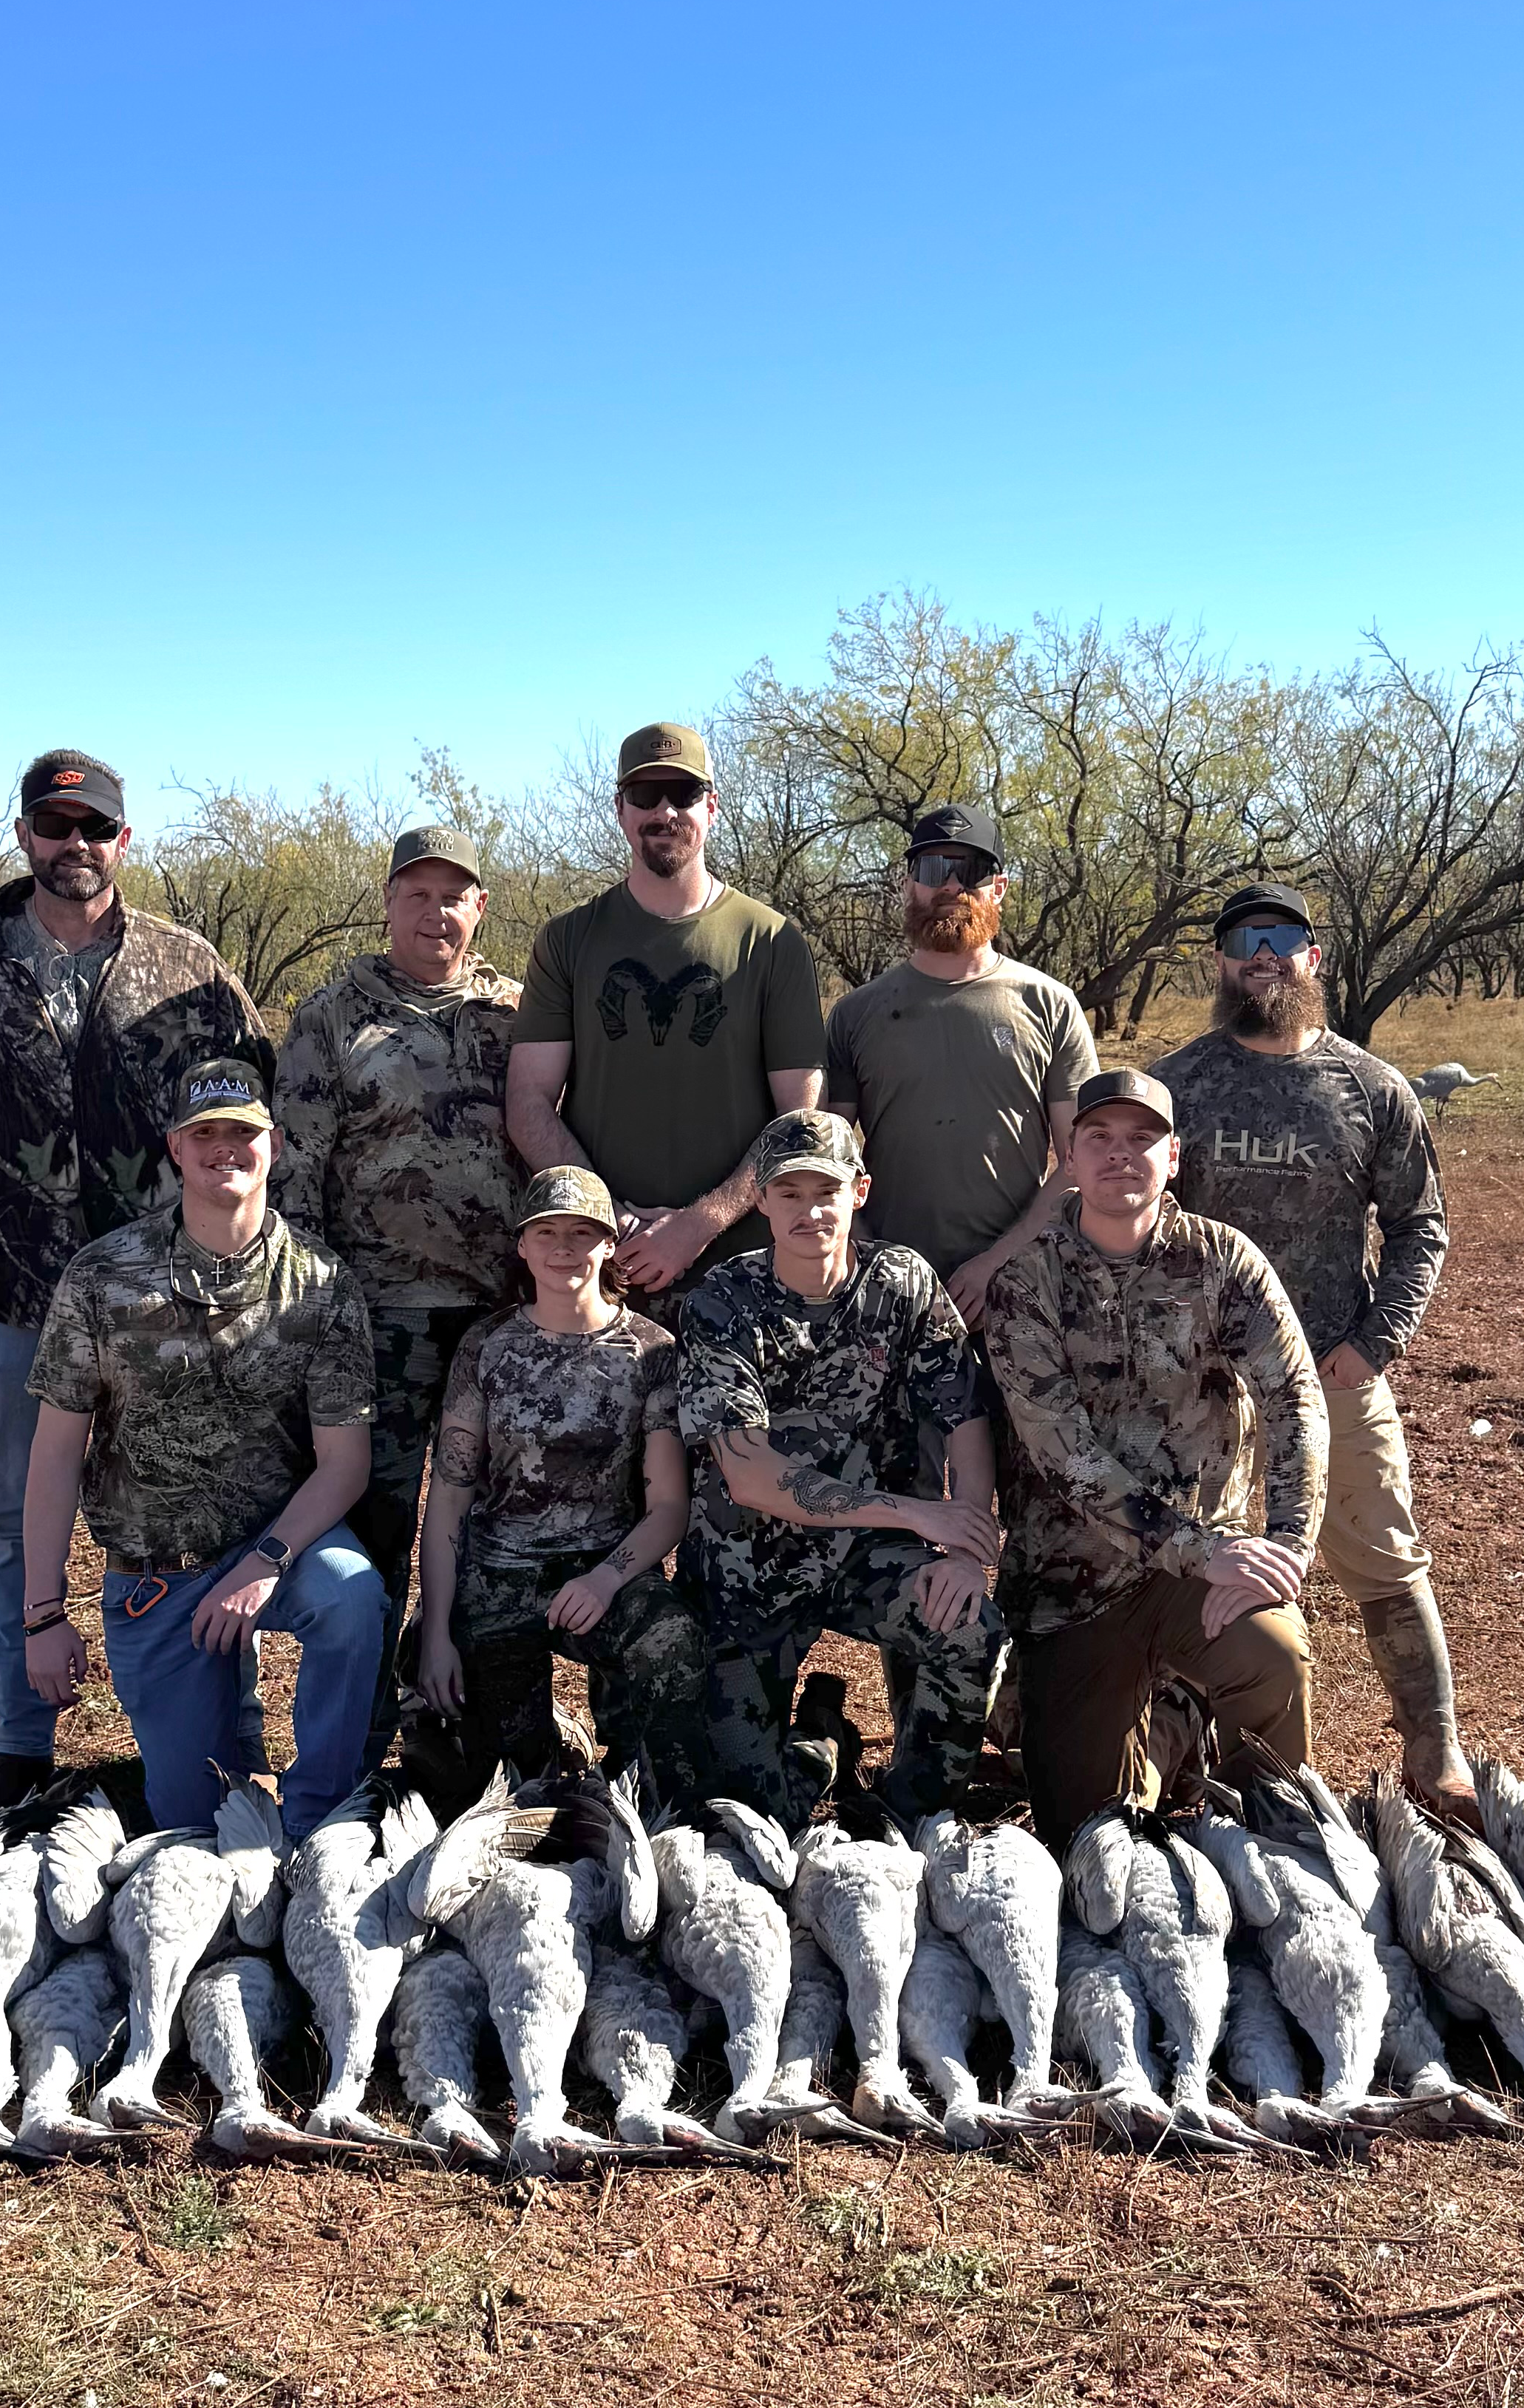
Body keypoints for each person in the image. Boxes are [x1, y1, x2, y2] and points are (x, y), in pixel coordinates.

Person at [0, 747, 263, 1831]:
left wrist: (229, 1245)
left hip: (166, 1303)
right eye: (53, 825)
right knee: (14, 1515)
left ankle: (231, 1738)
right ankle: (22, 1745)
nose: (73, 845)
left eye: (95, 829)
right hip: (15, 1303)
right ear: (24, 835)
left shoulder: (190, 970)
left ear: (124, 841)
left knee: (201, 1502)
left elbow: (257, 1115)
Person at [1152, 883, 1468, 1800]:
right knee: (1202, 1564)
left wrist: (1378, 1343)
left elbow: (1422, 1228)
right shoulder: (1179, 1086)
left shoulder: (1370, 1089)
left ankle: (1432, 1752)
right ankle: (1199, 1760)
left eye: (1284, 938)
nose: (1264, 952)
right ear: (1220, 961)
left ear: (1313, 960)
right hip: (1204, 1382)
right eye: (1244, 938)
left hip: (1333, 1367)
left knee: (1384, 1560)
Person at [17, 1060, 388, 1837]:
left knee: (352, 1594)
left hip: (279, 1550)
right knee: (194, 1828)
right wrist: (43, 1615)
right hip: (160, 1577)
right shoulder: (103, 1277)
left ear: (276, 1146)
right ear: (176, 1150)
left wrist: (265, 1562)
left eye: (243, 1133)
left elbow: (344, 1464)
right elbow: (54, 1455)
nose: (226, 1149)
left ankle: (322, 1820)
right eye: (204, 1134)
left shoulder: (322, 1284)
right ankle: (231, 1762)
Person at [974, 1068, 1330, 1847]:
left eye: (1142, 1140)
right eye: (1098, 1138)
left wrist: (1286, 1548)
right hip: (1072, 1585)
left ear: (1174, 1158)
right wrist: (1202, 1552)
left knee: (1274, 1655)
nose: (1119, 1156)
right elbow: (1064, 1458)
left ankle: (1272, 1841)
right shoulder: (1026, 1285)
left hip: (1200, 1585)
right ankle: (1173, 1726)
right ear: (1068, 1159)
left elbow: (1294, 1401)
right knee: (1086, 1837)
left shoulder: (1225, 1262)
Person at [675, 1109, 1006, 1826]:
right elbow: (752, 1475)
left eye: (825, 1191)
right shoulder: (719, 1303)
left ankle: (904, 1816)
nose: (808, 1210)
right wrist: (916, 1513)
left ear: (860, 1191)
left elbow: (966, 1416)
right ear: (759, 1198)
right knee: (745, 1814)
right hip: (746, 1571)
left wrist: (963, 1549)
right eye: (788, 1192)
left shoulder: (904, 1283)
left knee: (968, 1626)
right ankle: (820, 1743)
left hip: (868, 1559)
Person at [271, 823, 525, 1727]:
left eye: (453, 895)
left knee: (494, 1531)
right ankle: (357, 1739)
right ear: (387, 904)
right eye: (415, 894)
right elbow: (292, 1174)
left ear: (479, 908)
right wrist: (308, 1313)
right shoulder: (334, 1013)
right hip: (374, 1319)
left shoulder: (521, 1014)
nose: (435, 912)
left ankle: (467, 1723)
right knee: (376, 1531)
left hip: (501, 1320)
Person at [408, 1167, 704, 1802]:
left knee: (671, 1639)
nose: (564, 1248)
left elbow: (670, 1506)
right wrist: (436, 1631)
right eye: (546, 1232)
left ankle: (666, 1805)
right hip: (499, 1577)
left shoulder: (652, 1353)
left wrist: (606, 1578)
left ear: (607, 1245)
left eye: (581, 1232)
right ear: (522, 1245)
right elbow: (450, 1501)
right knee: (508, 1788)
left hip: (605, 1570)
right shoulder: (485, 1346)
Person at [506, 723, 823, 1294]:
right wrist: (605, 1216)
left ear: (712, 806)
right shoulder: (568, 940)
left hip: (744, 1277)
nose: (665, 811)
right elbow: (528, 1102)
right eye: (645, 796)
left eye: (683, 794)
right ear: (621, 809)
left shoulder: (772, 942)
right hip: (600, 1272)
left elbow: (799, 1120)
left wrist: (697, 1226)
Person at [820, 802, 1096, 1323]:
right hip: (883, 1297)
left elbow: (1081, 1161)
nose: (950, 886)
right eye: (931, 870)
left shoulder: (1051, 1005)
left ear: (1000, 888)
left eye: (969, 871)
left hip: (1018, 1288)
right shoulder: (856, 1014)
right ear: (908, 885)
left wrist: (999, 1261)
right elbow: (825, 1157)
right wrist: (870, 1261)